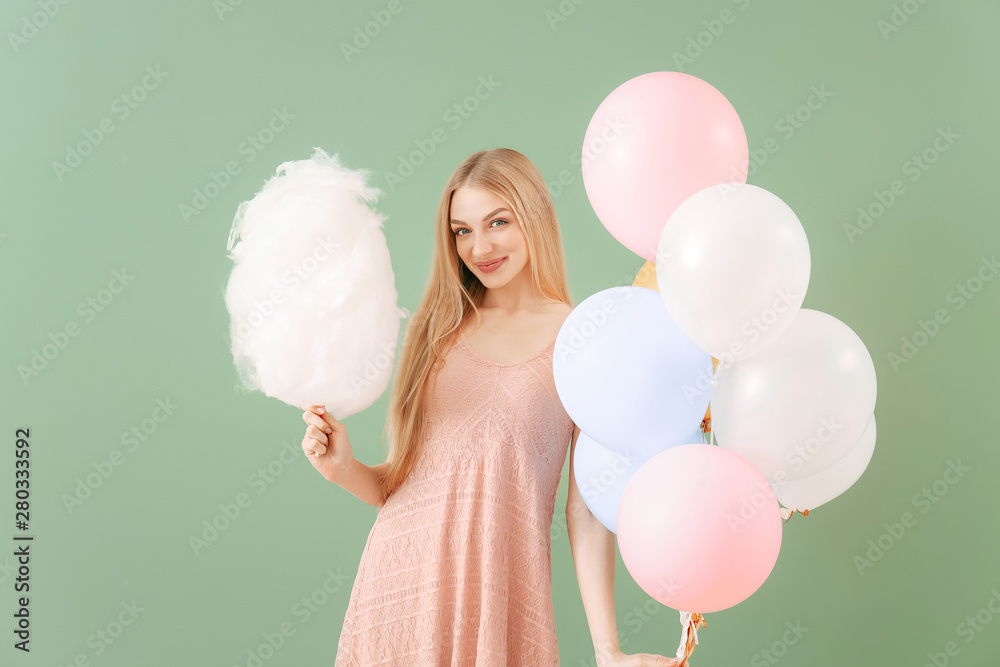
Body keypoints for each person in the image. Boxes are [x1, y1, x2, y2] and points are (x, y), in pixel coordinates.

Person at [300, 148, 683, 666]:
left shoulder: (584, 337)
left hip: (501, 598)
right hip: (398, 589)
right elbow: (402, 483)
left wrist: (608, 651)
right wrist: (342, 468)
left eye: (497, 222)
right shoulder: (435, 329)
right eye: (462, 231)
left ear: (534, 216)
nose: (479, 247)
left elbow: (586, 508)